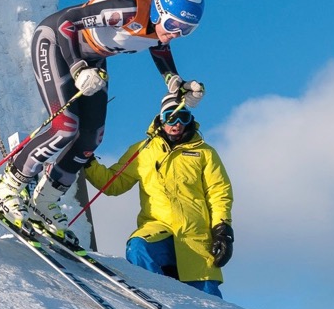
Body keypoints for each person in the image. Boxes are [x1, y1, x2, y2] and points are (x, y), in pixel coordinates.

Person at [0, 0, 207, 244]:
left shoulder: (160, 26)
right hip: (55, 43)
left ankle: (45, 200)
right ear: (158, 9)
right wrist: (78, 67)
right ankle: (8, 186)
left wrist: (175, 81)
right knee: (65, 128)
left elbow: (159, 44)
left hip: (92, 59)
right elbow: (68, 23)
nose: (176, 33)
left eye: (187, 29)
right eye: (173, 24)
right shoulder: (127, 8)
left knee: (92, 137)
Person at [83, 93, 234, 298]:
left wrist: (222, 230)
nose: (177, 123)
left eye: (184, 117)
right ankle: (155, 300)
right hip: (159, 229)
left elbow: (219, 192)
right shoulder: (143, 151)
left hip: (195, 239)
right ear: (161, 119)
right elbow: (113, 184)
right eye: (171, 117)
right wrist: (87, 161)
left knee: (209, 303)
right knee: (139, 247)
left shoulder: (204, 153)